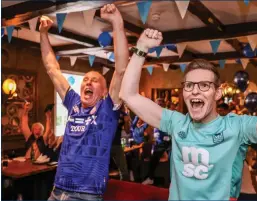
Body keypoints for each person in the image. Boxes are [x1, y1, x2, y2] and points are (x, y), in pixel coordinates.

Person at [119, 28, 257, 200]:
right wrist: (141, 48)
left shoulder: (237, 126)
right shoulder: (177, 123)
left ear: (218, 93)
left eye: (204, 85)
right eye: (189, 86)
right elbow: (128, 95)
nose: (195, 91)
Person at [39, 4, 129, 200]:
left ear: (105, 91)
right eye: (85, 79)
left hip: (86, 195)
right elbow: (52, 68)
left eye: (94, 80)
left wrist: (116, 23)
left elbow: (122, 69)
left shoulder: (107, 109)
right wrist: (44, 33)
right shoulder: (73, 103)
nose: (88, 81)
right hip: (58, 190)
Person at [142, 98, 171, 185]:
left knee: (173, 160)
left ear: (164, 105)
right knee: (153, 158)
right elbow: (150, 127)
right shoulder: (153, 115)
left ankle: (173, 181)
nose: (159, 105)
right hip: (159, 143)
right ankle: (150, 178)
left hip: (169, 141)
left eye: (161, 104)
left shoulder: (168, 115)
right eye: (157, 104)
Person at [111, 104, 130, 181]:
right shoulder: (107, 110)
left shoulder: (123, 114)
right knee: (101, 168)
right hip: (105, 144)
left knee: (124, 170)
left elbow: (127, 130)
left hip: (117, 144)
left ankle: (124, 189)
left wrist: (126, 121)